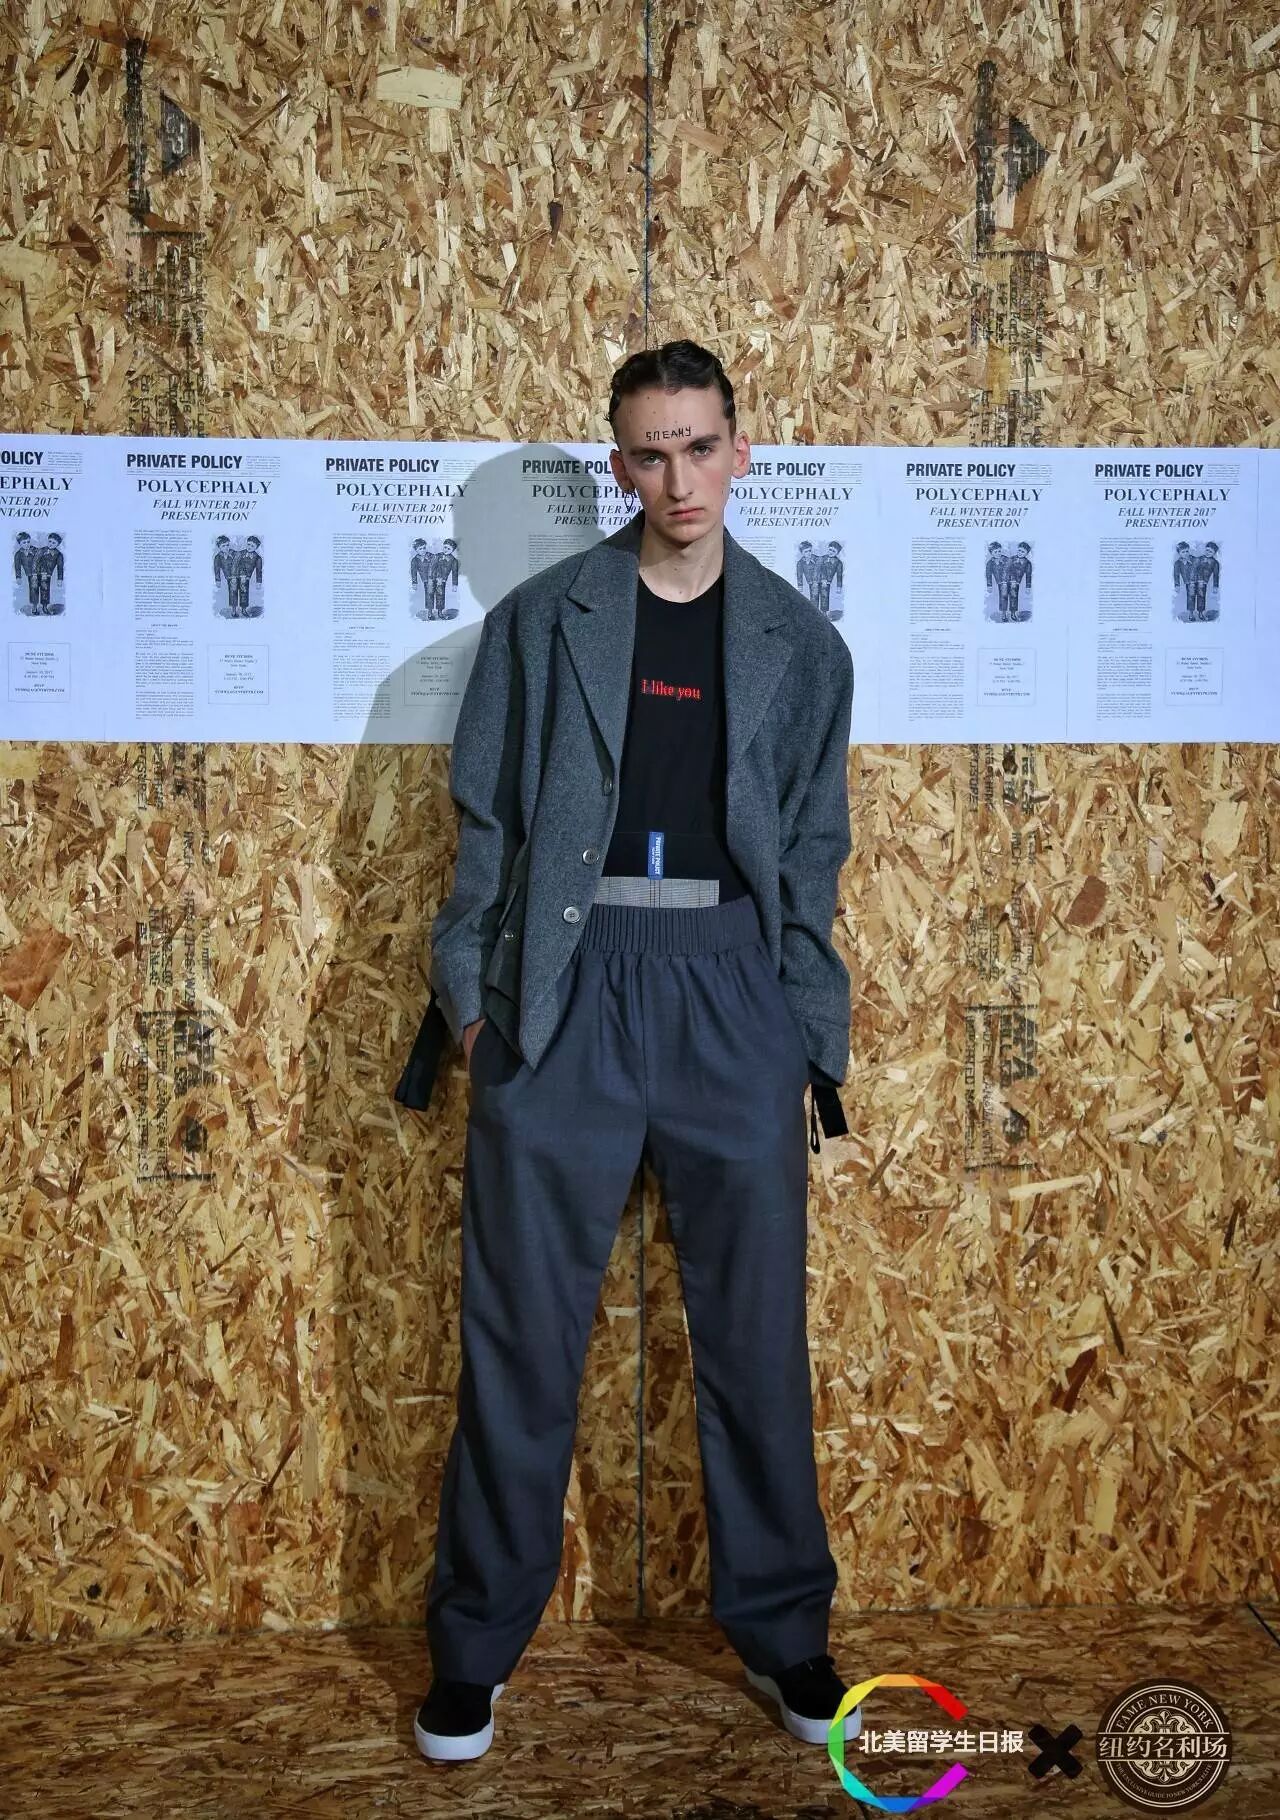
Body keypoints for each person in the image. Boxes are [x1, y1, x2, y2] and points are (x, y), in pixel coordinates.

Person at [403, 340, 859, 1765]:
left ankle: (785, 1632)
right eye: (650, 454)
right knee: (519, 1341)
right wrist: (477, 1006)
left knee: (756, 1341)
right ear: (619, 466)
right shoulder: (543, 623)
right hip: (569, 988)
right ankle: (475, 1651)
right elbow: (485, 828)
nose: (678, 480)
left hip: (729, 992)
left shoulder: (802, 643)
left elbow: (816, 854)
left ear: (740, 452)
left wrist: (803, 1030)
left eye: (700, 447)